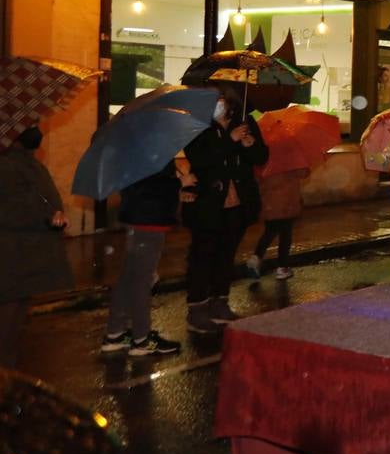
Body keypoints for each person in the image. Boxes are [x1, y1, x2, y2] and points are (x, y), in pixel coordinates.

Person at [182, 89, 269, 334]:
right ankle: (197, 309)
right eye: (214, 102)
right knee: (202, 256)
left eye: (222, 101)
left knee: (226, 255)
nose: (219, 106)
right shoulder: (198, 125)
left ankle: (220, 302)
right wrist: (228, 140)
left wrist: (249, 144)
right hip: (208, 203)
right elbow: (200, 158)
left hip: (238, 201)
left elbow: (261, 156)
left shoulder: (245, 121)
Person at [100, 161, 194, 356]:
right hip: (147, 221)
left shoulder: (138, 147)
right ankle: (142, 339)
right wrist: (179, 183)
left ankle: (115, 333)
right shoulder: (147, 150)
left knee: (128, 279)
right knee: (142, 281)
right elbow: (145, 186)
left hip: (142, 218)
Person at [0, 126, 74, 368]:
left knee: (16, 318)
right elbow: (11, 209)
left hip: (26, 254)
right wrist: (46, 216)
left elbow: (39, 197)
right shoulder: (7, 164)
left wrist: (55, 213)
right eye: (30, 126)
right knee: (7, 320)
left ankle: (8, 379)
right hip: (12, 255)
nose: (37, 131)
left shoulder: (24, 162)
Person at [248, 166, 309, 280]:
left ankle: (256, 258)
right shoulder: (289, 157)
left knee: (269, 231)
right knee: (286, 234)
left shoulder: (264, 156)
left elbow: (257, 178)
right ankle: (282, 267)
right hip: (286, 203)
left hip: (269, 203)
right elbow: (303, 173)